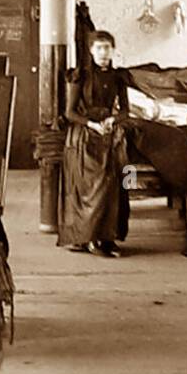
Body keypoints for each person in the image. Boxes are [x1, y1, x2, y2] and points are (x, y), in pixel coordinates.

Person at [58, 29, 130, 257]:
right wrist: (92, 124)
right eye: (98, 48)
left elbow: (125, 111)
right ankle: (89, 238)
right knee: (91, 189)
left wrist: (112, 119)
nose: (103, 52)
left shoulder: (119, 77)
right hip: (85, 138)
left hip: (109, 136)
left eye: (107, 47)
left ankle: (107, 237)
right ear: (91, 51)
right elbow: (69, 112)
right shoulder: (82, 75)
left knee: (113, 187)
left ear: (113, 51)